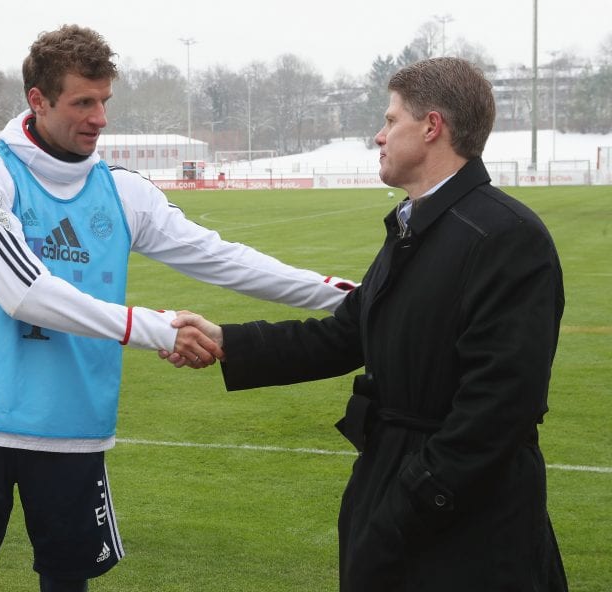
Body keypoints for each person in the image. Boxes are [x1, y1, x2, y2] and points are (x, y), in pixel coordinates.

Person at [0, 24, 354, 592]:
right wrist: (154, 328)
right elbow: (26, 293)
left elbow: (220, 258)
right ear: (37, 100)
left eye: (105, 101)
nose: (100, 118)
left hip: (73, 428)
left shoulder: (123, 190)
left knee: (68, 581)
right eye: (83, 102)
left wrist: (353, 294)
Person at [170, 57, 568, 591]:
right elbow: (347, 333)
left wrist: (413, 499)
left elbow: (499, 407)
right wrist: (228, 341)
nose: (378, 136)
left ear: (432, 127)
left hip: (466, 515)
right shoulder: (416, 225)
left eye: (390, 120)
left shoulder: (505, 236)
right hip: (395, 479)